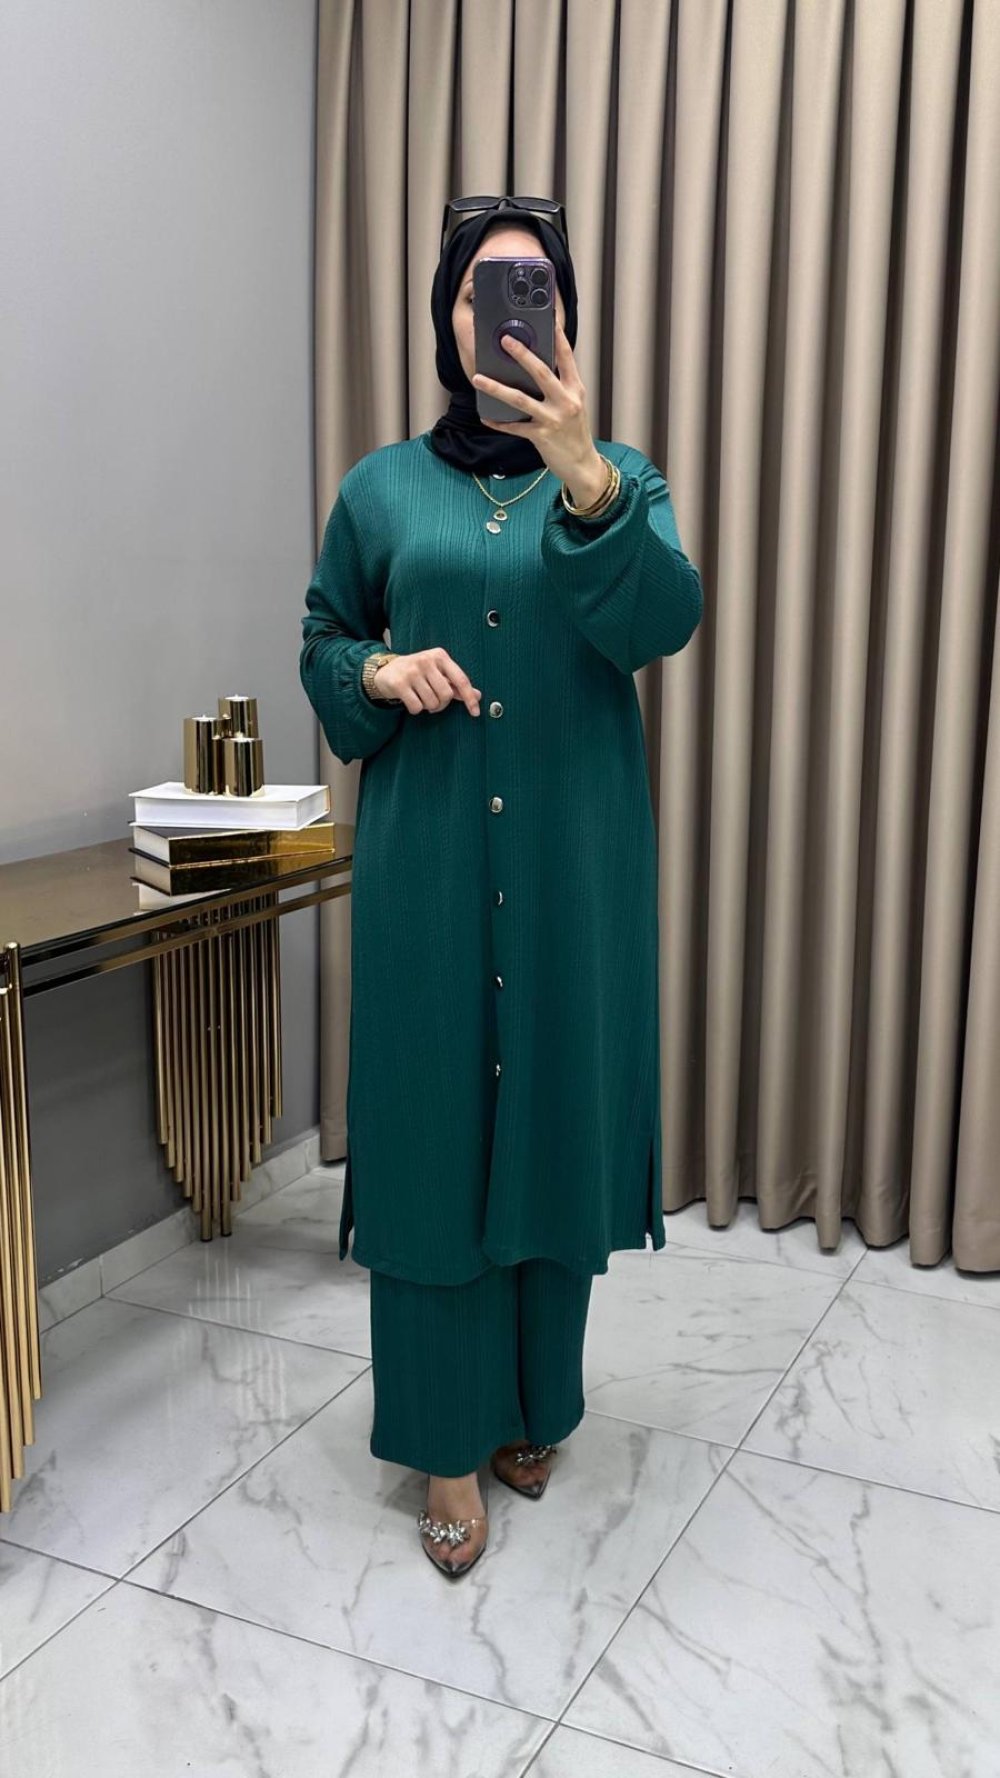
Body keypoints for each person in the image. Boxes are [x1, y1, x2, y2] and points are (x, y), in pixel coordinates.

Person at [299, 196, 703, 1578]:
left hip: (570, 867)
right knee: (430, 1133)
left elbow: (660, 619)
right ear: (448, 318)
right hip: (427, 872)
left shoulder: (621, 480)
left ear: (567, 320)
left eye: (537, 287)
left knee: (550, 1116)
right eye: (485, 288)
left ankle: (534, 1404)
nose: (509, 308)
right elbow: (324, 638)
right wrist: (374, 668)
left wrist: (586, 476)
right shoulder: (378, 490)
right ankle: (445, 1442)